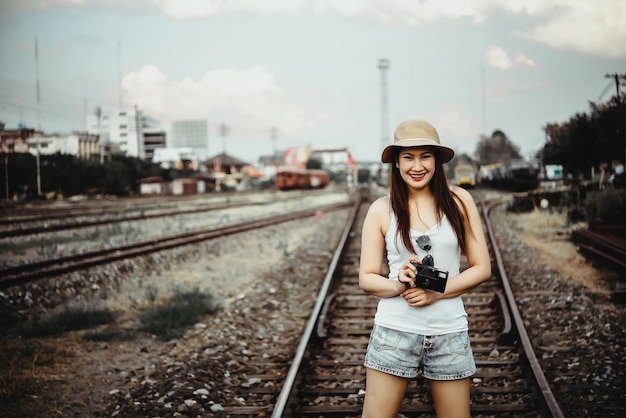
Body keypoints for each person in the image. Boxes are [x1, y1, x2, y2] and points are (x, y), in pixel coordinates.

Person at [359, 118, 492, 418]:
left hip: (449, 332)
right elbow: (366, 278)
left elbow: (482, 267)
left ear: (436, 160)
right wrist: (398, 284)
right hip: (394, 331)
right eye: (408, 157)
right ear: (396, 162)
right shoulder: (382, 209)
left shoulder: (459, 201)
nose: (416, 166)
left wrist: (437, 292)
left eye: (425, 156)